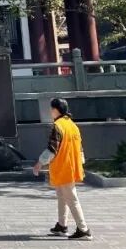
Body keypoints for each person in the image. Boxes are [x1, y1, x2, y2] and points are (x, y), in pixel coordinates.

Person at [32, 97, 90, 239]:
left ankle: (83, 230)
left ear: (56, 110)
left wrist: (40, 163)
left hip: (63, 167)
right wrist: (80, 163)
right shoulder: (72, 125)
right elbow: (80, 148)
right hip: (71, 166)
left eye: (51, 109)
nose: (50, 111)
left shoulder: (58, 126)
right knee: (62, 197)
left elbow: (52, 149)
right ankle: (62, 225)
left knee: (71, 199)